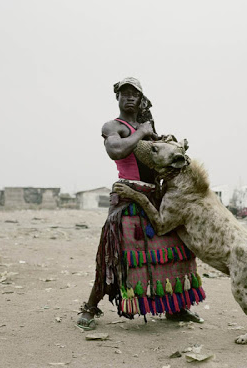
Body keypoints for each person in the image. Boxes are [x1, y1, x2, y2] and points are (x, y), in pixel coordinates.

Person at [77, 77, 206, 330]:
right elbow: (115, 151)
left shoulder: (148, 127)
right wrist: (143, 133)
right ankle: (90, 308)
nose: (130, 97)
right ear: (118, 98)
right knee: (114, 258)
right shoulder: (114, 126)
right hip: (127, 199)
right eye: (124, 93)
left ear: (141, 98)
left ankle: (176, 308)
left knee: (176, 251)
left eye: (134, 93)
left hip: (156, 199)